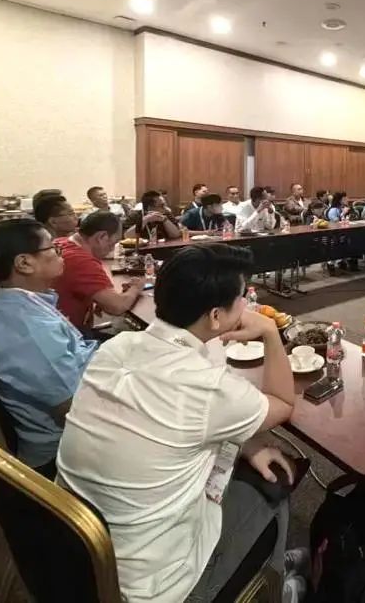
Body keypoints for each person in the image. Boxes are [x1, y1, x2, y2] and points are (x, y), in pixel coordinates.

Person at [56, 244, 297, 603]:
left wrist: (243, 442)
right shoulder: (207, 387)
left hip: (77, 550)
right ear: (215, 315)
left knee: (245, 458)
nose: (247, 304)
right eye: (243, 297)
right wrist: (269, 332)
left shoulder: (117, 347)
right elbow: (283, 404)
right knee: (275, 485)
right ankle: (277, 584)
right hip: (152, 584)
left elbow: (166, 419)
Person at [0, 219, 97, 477]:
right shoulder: (29, 330)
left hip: (81, 393)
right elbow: (72, 407)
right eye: (53, 248)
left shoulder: (8, 302)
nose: (60, 254)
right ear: (24, 263)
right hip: (64, 448)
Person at [53, 211, 143, 332]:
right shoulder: (81, 261)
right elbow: (117, 306)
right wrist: (136, 287)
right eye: (113, 243)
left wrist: (98, 297)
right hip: (71, 335)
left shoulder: (62, 242)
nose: (112, 249)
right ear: (101, 237)